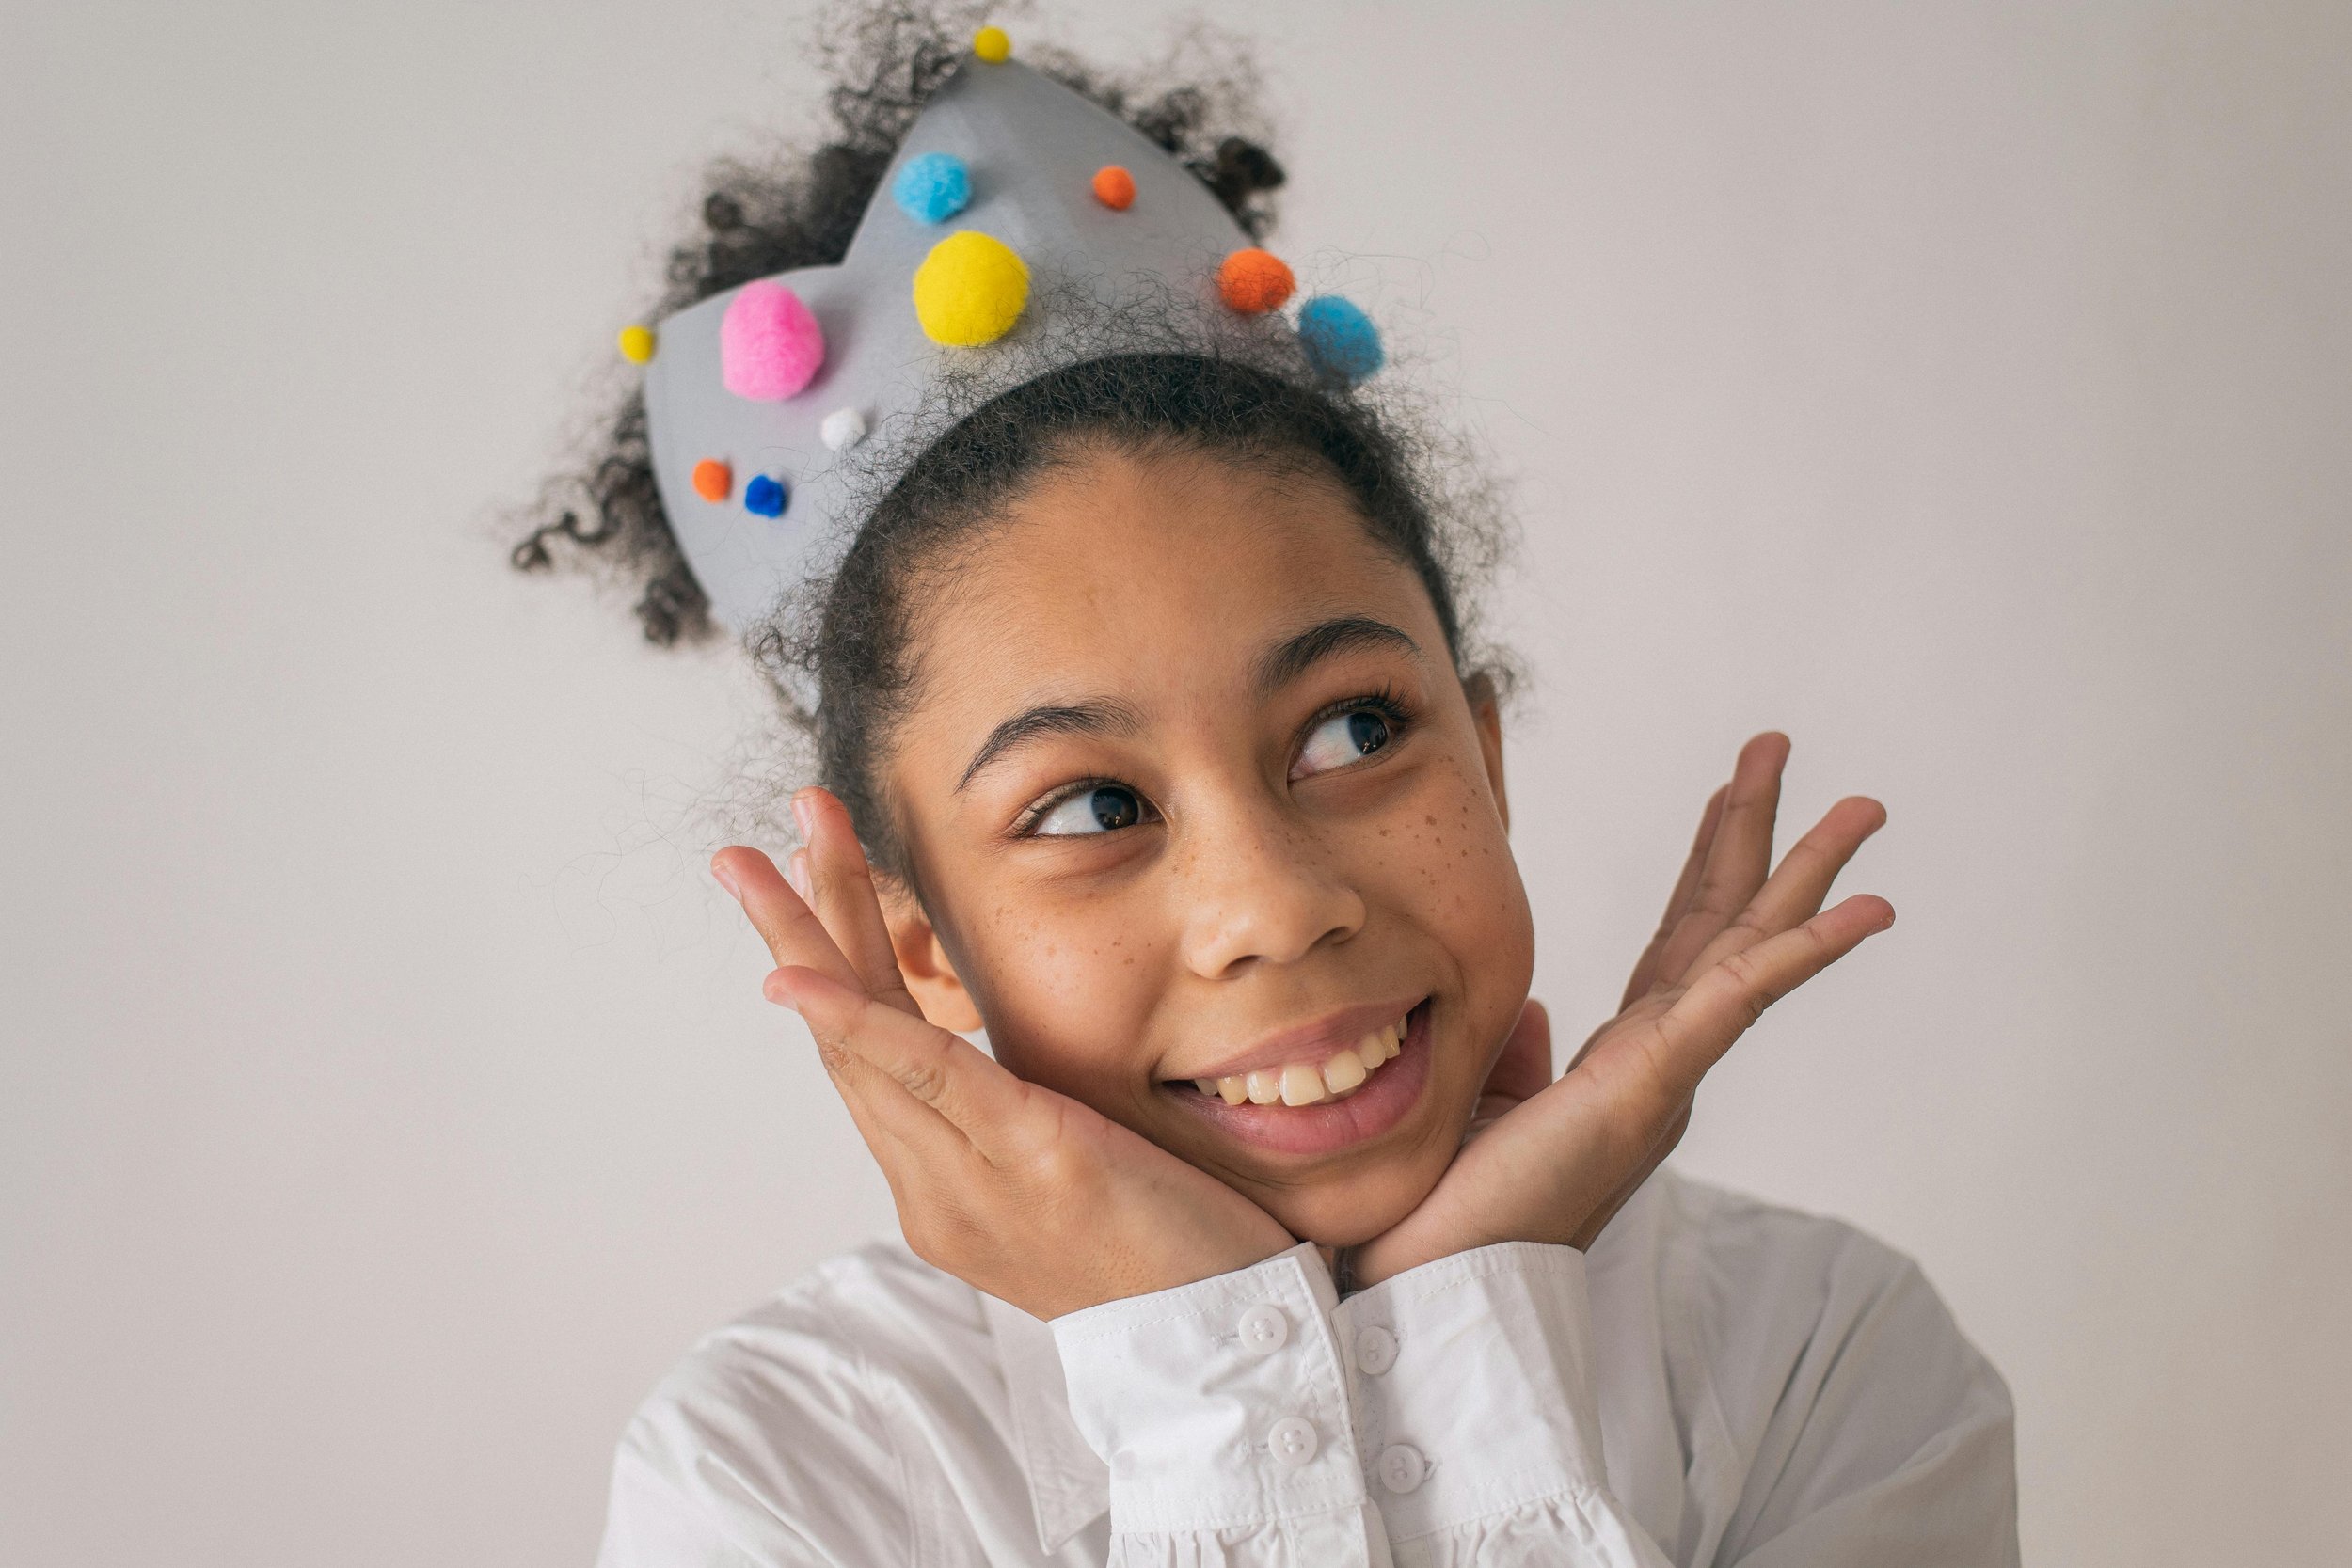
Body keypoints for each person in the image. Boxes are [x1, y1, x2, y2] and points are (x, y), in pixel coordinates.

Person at [517, 12, 2018, 1565]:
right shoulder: (775, 1478)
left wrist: (1455, 1324)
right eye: (1092, 809)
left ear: (1484, 758)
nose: (1275, 908)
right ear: (914, 945)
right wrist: (1221, 1378)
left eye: (1356, 731)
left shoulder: (1823, 1357)